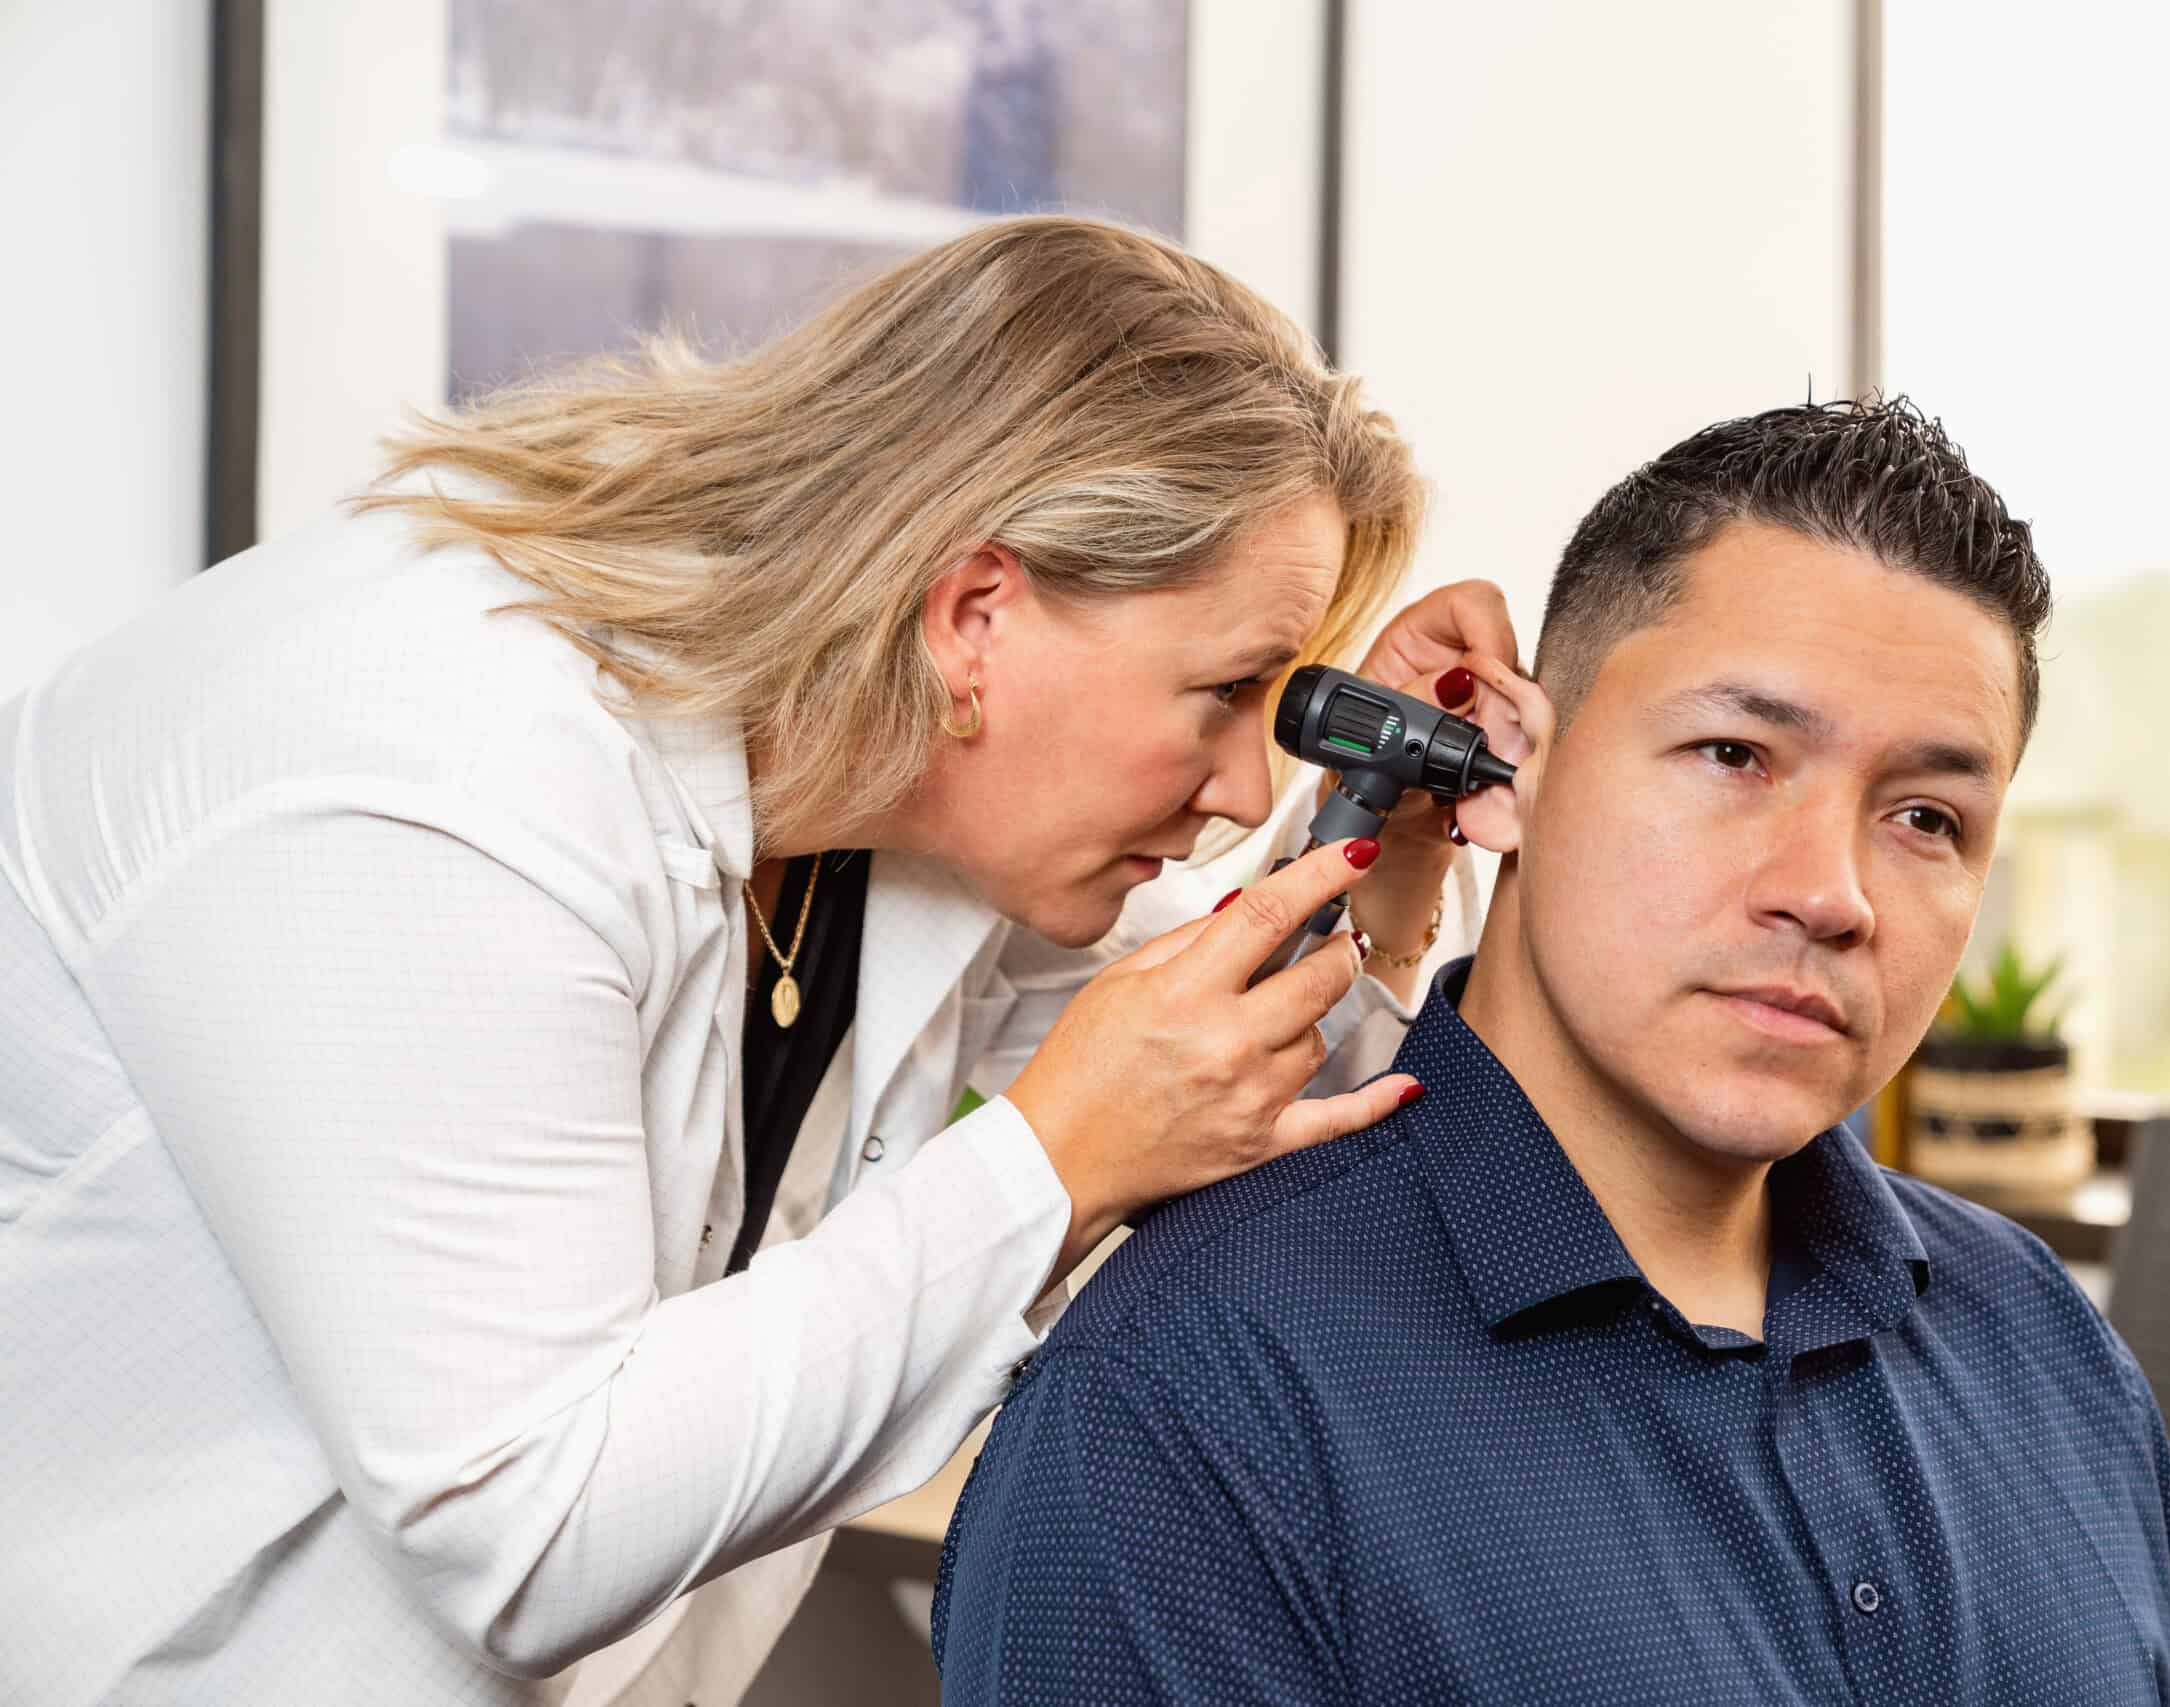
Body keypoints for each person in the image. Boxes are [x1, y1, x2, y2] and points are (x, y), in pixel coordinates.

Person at [0, 217, 1527, 1705]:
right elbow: (523, 1528)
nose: (1241, 789)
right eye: (1224, 692)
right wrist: (1051, 1160)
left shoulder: (881, 780)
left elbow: (1218, 1087)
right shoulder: (431, 774)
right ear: (975, 612)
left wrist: (1378, 841)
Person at [934, 398, 2170, 1704]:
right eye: (1734, 755)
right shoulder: (1189, 1408)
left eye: (1927, 817)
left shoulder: (2042, 1340)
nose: (1831, 893)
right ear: (1504, 763)